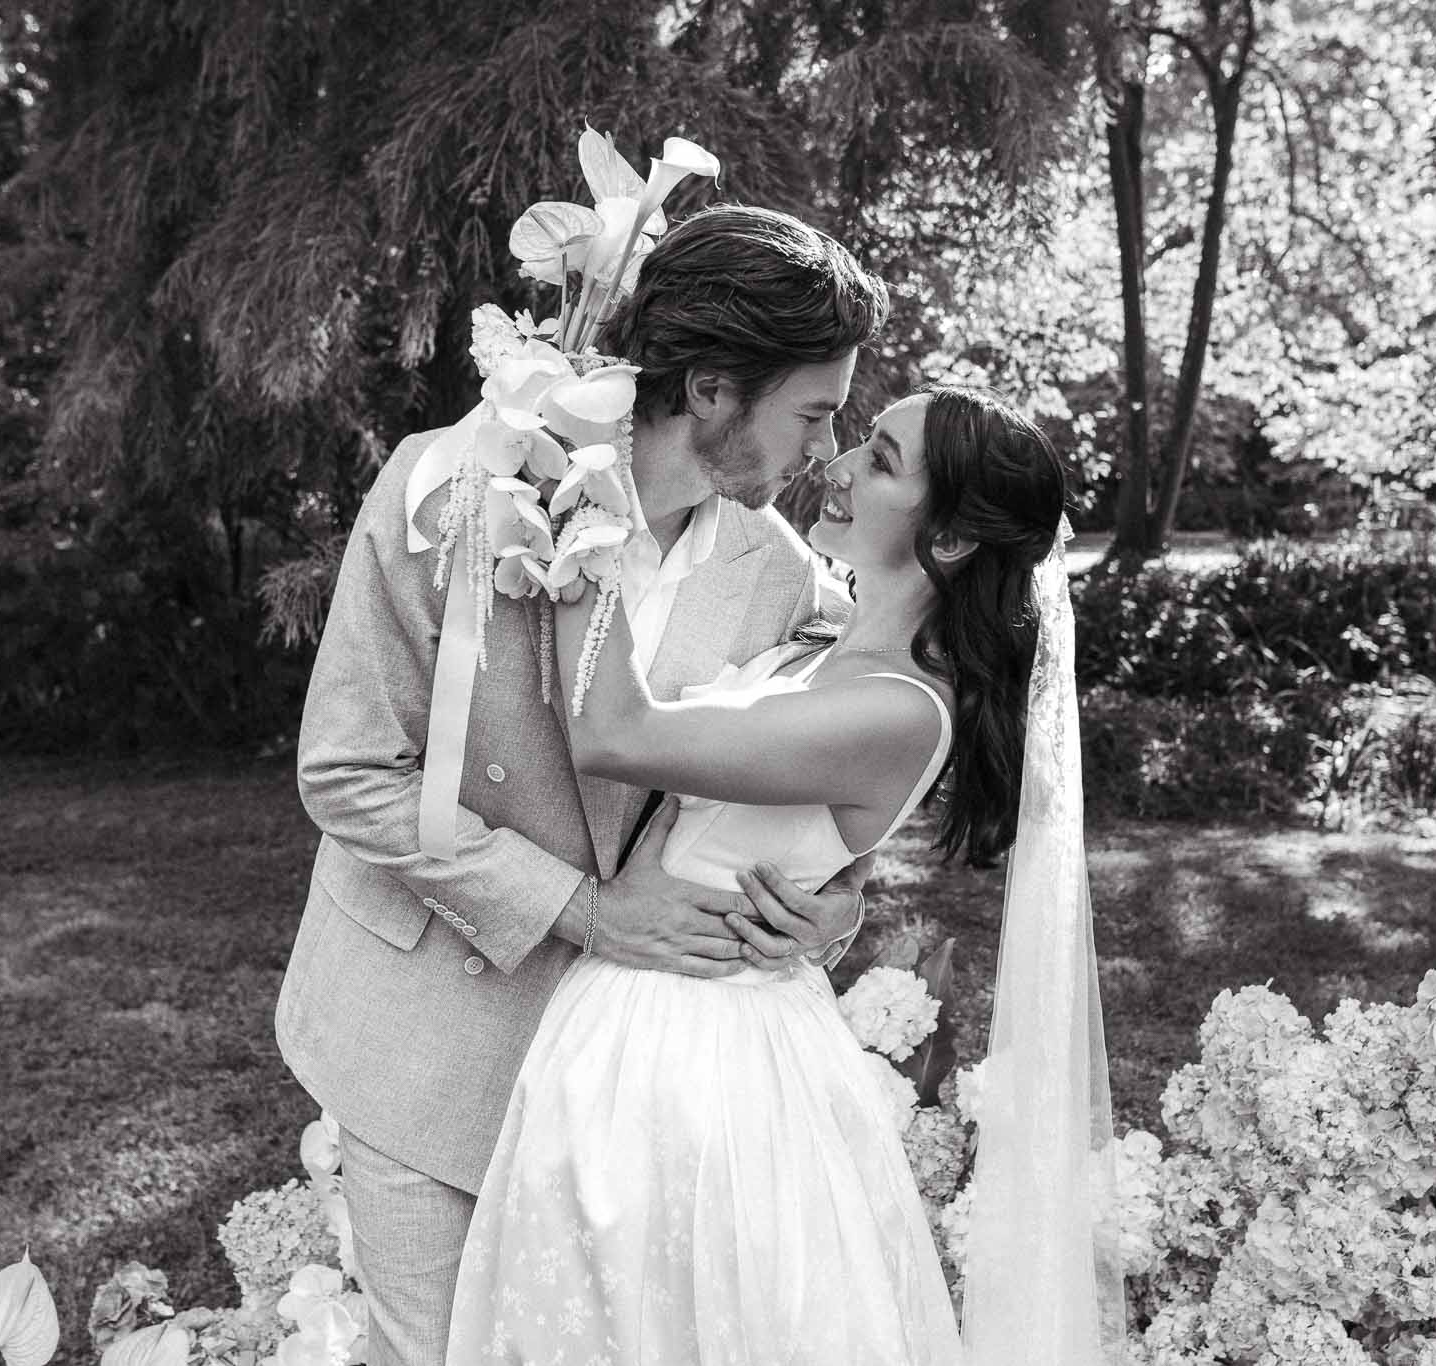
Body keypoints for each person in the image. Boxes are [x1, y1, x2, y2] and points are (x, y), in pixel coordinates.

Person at [276, 205, 893, 1364]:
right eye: (813, 412)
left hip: (625, 1091)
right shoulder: (450, 493)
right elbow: (351, 768)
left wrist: (837, 894)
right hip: (426, 1038)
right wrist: (584, 910)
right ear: (710, 388)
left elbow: (827, 763)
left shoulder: (777, 573)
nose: (825, 449)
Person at [446, 384, 1118, 1364]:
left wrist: (579, 505)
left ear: (950, 540)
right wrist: (836, 900)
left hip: (704, 1053)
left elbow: (614, 734)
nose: (836, 465)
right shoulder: (828, 637)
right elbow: (799, 829)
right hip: (649, 1015)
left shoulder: (894, 709)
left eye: (879, 460)